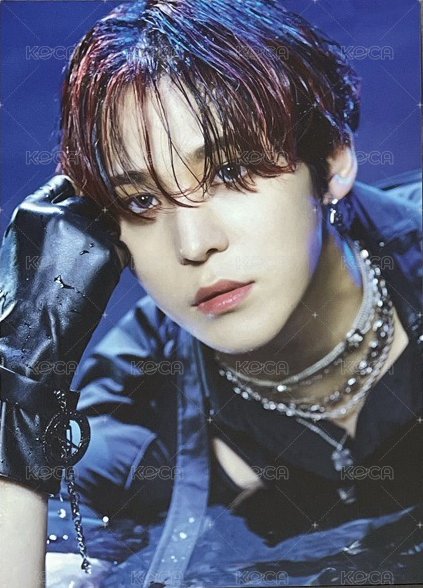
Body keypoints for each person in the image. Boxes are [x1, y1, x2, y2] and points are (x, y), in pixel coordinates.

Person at [0, 0, 421, 586]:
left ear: (333, 160)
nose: (194, 244)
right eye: (141, 201)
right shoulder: (132, 407)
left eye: (230, 172)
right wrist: (22, 369)